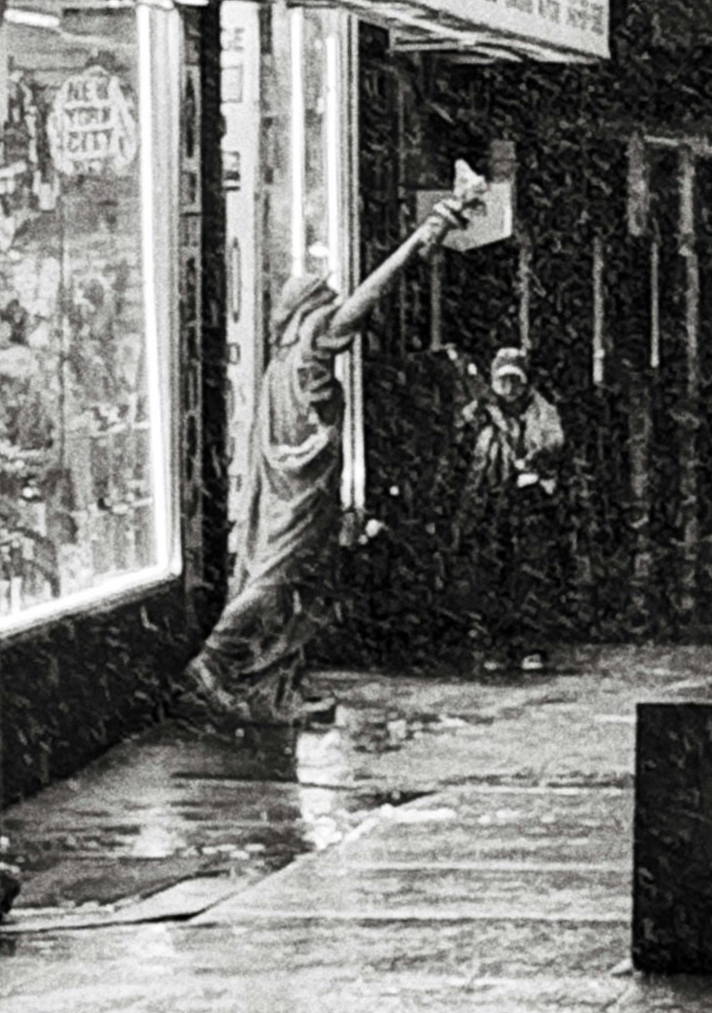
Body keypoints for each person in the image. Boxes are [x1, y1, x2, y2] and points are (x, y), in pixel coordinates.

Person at [181, 167, 489, 730]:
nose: (337, 309)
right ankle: (216, 660)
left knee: (288, 581)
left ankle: (272, 681)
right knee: (278, 576)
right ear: (310, 312)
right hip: (299, 491)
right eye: (326, 302)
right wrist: (425, 235)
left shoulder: (281, 363)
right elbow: (370, 296)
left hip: (294, 485)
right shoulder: (312, 345)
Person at [454, 347, 573, 654]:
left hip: (530, 500)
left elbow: (555, 449)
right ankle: (494, 641)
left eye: (515, 380)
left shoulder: (543, 413)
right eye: (502, 380)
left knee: (530, 572)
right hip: (490, 499)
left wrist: (535, 466)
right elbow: (462, 451)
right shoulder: (480, 412)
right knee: (491, 570)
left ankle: (530, 643)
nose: (508, 388)